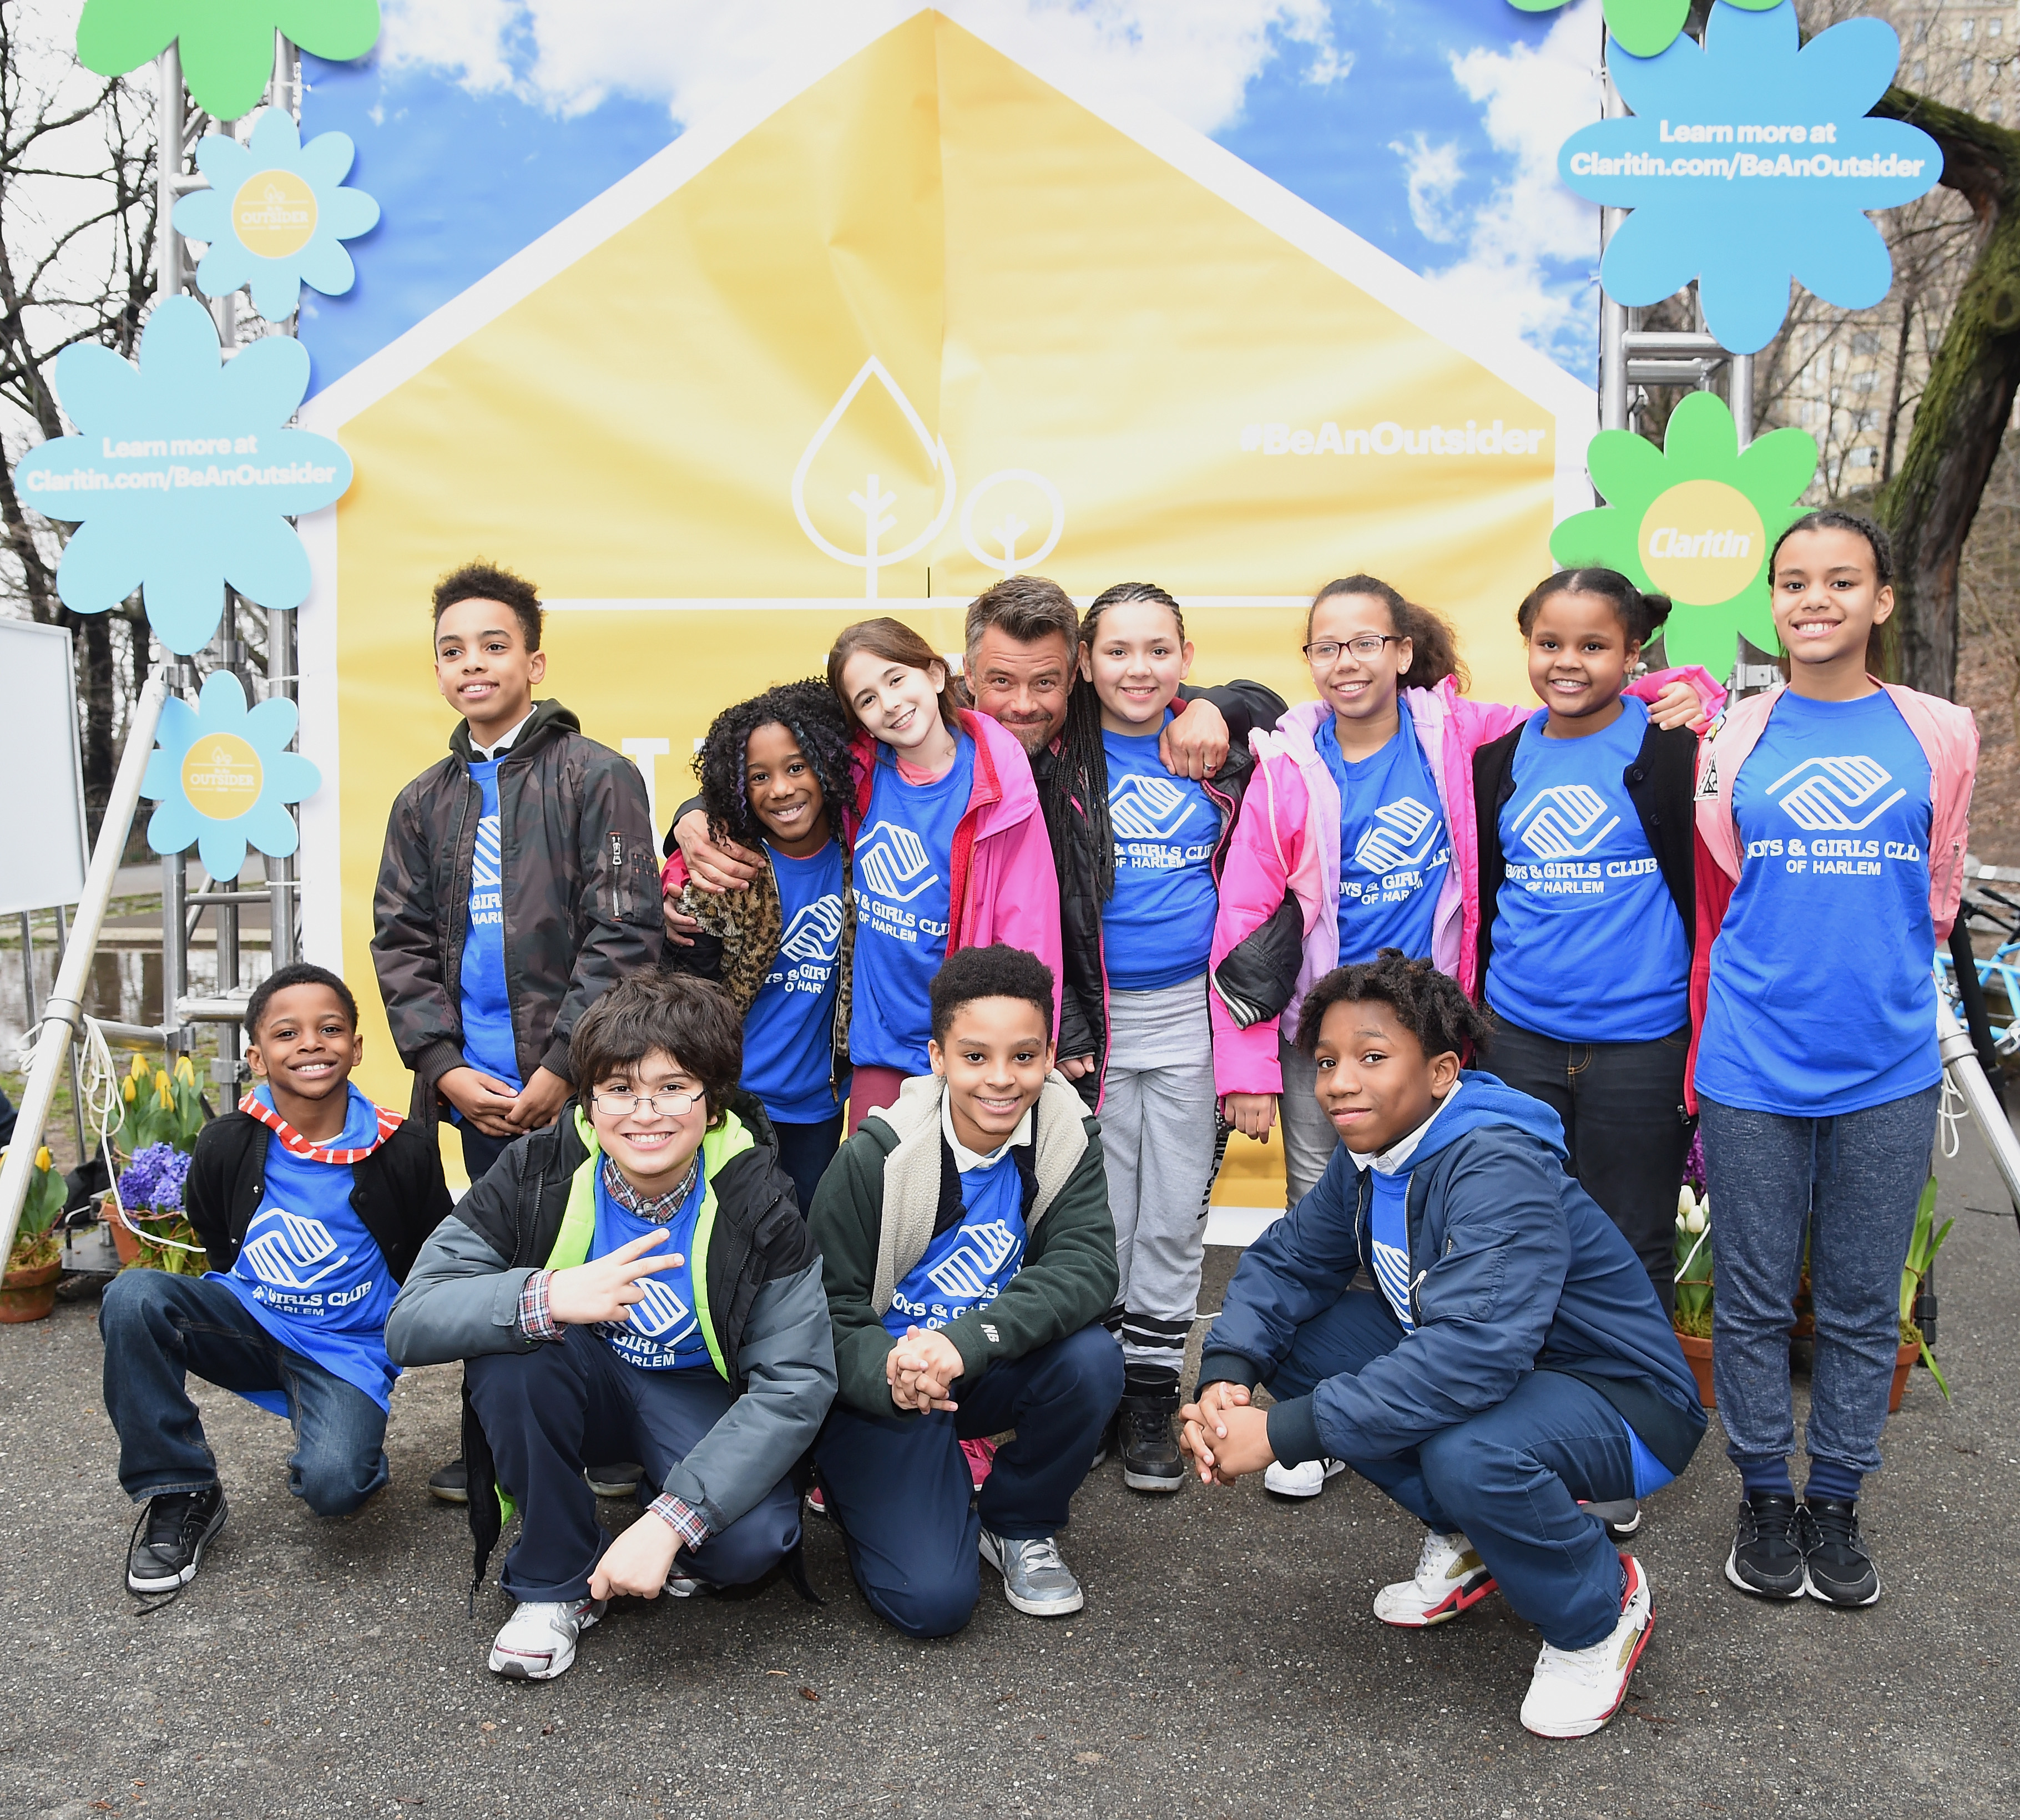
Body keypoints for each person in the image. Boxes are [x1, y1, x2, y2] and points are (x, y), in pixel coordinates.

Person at [1209, 573, 1719, 1497]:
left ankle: (1561, 1427)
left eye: (1367, 641)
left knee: (1523, 1225)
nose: (1346, 661)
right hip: (1332, 1034)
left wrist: (1694, 690)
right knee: (1335, 1219)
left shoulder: (1464, 736)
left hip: (1451, 1029)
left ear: (1405, 651)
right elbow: (1244, 911)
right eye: (1326, 646)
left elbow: (1596, 696)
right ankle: (1340, 1424)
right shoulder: (1286, 765)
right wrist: (1245, 1060)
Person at [1179, 954, 1705, 1739]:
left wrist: (1282, 1435)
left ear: (1442, 1072)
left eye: (1372, 1058)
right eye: (1325, 1062)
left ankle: (1599, 1610)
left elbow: (1471, 1355)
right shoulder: (1371, 1157)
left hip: (1620, 1401)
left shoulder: (1496, 1165)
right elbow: (1289, 1262)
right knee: (1294, 1342)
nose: (1339, 1082)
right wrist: (1228, 1377)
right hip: (1507, 1375)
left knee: (1471, 1451)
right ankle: (1472, 1539)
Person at [385, 972, 836, 1682]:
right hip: (580, 1375)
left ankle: (653, 1519)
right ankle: (554, 1581)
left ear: (713, 1103)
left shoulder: (761, 1200)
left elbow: (796, 1382)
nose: (645, 1112)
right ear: (588, 1105)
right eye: (619, 1088)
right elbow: (410, 1321)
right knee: (512, 1353)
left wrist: (671, 1522)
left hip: (692, 1391)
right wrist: (550, 1293)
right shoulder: (538, 1168)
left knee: (750, 1546)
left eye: (674, 1085)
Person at [1689, 510, 1976, 1609]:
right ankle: (1764, 1489)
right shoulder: (1732, 735)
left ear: (1880, 601)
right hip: (1752, 1053)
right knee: (1754, 1296)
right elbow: (1726, 882)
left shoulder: (1940, 730)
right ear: (1770, 603)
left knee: (1860, 1302)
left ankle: (1837, 1496)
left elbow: (1936, 887)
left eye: (1838, 580)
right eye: (1791, 581)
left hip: (1886, 1062)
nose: (1812, 598)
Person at [373, 560, 662, 1505]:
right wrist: (444, 1068)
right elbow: (401, 941)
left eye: (494, 646)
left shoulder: (598, 778)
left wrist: (564, 1070)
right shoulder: (422, 802)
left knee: (585, 1251)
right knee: (492, 1265)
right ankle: (494, 1444)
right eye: (452, 651)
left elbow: (625, 933)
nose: (473, 664)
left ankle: (609, 1436)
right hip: (473, 1095)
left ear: (534, 662)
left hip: (573, 1082)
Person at [100, 963, 453, 1595]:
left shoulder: (405, 1146)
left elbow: (434, 1250)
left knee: (337, 1488)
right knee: (132, 1297)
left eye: (331, 1028)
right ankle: (182, 1490)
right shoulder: (228, 1140)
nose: (312, 1043)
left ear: (357, 1046)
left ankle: (340, 1429)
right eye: (287, 1034)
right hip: (249, 1322)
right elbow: (215, 1232)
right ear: (258, 1058)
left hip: (347, 1348)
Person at [808, 945, 1123, 1636]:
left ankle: (1019, 1522)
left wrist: (965, 1341)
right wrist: (889, 1373)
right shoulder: (875, 1156)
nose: (1002, 1080)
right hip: (887, 1390)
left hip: (975, 1365)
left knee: (1092, 1358)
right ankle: (870, 1485)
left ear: (1047, 1056)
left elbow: (1087, 1266)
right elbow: (825, 1313)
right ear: (937, 1057)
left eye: (1024, 1055)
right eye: (975, 1056)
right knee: (933, 1605)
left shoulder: (1066, 1134)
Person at [1039, 583, 1257, 1493]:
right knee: (1097, 1218)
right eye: (1117, 651)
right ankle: (1092, 1386)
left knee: (1172, 1216)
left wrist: (1225, 705)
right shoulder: (1050, 755)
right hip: (1088, 1024)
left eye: (1158, 651)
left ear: (1186, 657)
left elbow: (1286, 709)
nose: (1139, 669)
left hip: (1192, 1018)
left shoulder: (1223, 752)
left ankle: (1150, 1393)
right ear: (1084, 663)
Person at [1471, 570, 1700, 1311]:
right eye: (1549, 643)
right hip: (1518, 1043)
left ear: (1634, 652)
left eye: (1594, 645)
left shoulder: (1674, 750)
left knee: (1633, 1248)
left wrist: (1710, 698)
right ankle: (1527, 1414)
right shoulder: (1496, 762)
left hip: (1643, 1047)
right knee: (1516, 1239)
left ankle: (1641, 1421)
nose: (1567, 662)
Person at [827, 616, 1062, 1131]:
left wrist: (1027, 1041)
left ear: (936, 675)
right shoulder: (854, 776)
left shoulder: (1000, 783)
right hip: (883, 1050)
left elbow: (1030, 926)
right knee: (882, 1201)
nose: (889, 704)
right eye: (866, 699)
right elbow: (758, 773)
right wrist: (690, 823)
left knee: (970, 1203)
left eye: (896, 679)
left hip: (974, 1052)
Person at [662, 680, 855, 1216]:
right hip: (730, 1105)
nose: (781, 790)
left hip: (819, 1108)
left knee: (799, 1244)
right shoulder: (726, 871)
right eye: (758, 776)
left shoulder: (859, 854)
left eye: (797, 767)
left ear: (827, 764)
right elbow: (679, 988)